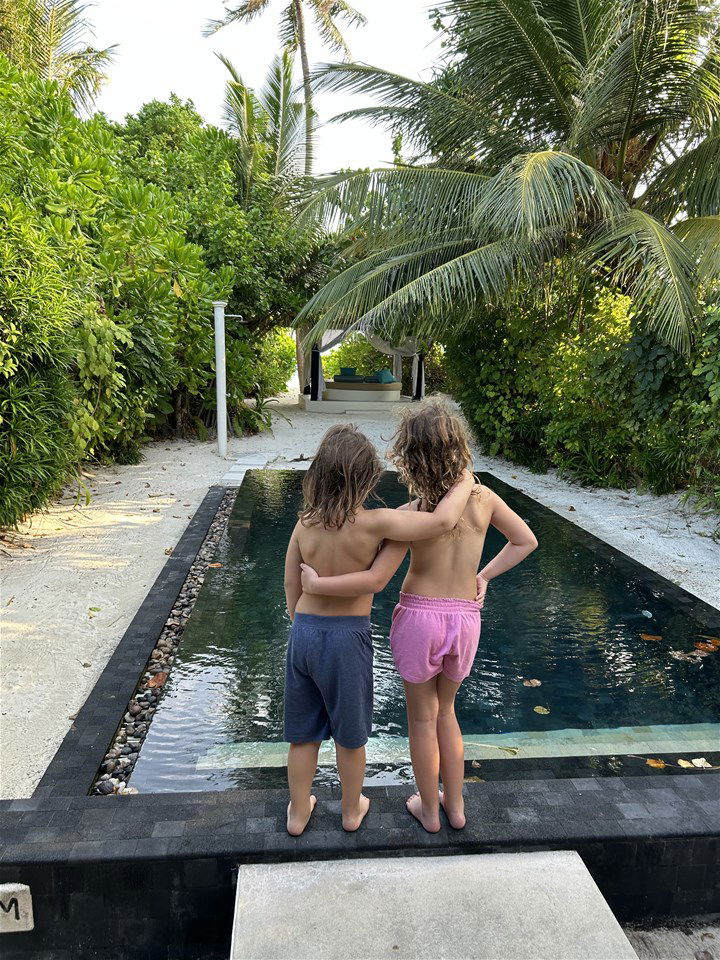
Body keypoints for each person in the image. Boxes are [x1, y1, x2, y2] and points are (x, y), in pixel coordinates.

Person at [300, 402, 538, 833]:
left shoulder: (412, 513)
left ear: (410, 457)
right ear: (459, 449)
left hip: (419, 619)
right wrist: (483, 575)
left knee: (422, 719)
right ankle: (457, 806)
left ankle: (429, 810)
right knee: (447, 712)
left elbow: (377, 576)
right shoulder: (484, 500)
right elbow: (525, 541)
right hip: (466, 618)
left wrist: (318, 586)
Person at [283, 423, 475, 837]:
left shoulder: (304, 523)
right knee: (350, 736)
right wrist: (464, 480)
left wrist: (300, 624)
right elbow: (442, 522)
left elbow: (290, 584)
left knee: (302, 735)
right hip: (347, 638)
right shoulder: (375, 523)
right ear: (367, 476)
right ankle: (352, 811)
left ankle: (298, 813)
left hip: (304, 633)